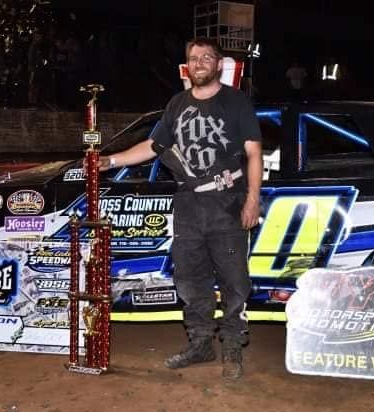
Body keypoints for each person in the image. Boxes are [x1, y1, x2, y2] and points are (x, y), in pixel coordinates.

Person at [99, 37, 262, 380]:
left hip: (227, 202)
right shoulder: (176, 104)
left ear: (218, 65)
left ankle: (232, 347)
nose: (200, 62)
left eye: (207, 57)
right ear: (188, 66)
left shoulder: (236, 102)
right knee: (190, 279)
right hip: (188, 205)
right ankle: (201, 343)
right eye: (193, 58)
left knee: (234, 280)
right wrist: (110, 160)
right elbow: (154, 147)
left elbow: (253, 153)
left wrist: (251, 200)